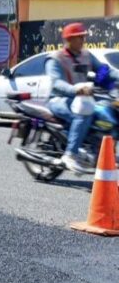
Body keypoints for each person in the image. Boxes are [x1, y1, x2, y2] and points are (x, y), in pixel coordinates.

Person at [45, 22, 119, 173]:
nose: (82, 40)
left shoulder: (86, 56)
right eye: (78, 37)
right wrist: (75, 89)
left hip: (84, 98)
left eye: (82, 37)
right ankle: (70, 154)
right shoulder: (55, 58)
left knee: (108, 110)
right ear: (68, 40)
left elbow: (104, 72)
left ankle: (102, 150)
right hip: (59, 99)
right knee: (84, 112)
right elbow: (57, 83)